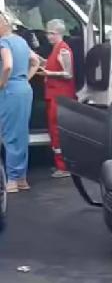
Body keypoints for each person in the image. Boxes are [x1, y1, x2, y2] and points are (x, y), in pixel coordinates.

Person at [0, 10, 40, 193]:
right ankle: (21, 178)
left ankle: (13, 180)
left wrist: (2, 83)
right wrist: (25, 78)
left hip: (10, 91)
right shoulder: (21, 41)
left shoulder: (4, 42)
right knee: (20, 134)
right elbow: (35, 61)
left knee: (10, 135)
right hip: (23, 89)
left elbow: (7, 65)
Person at [37, 19, 76, 178]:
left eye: (51, 33)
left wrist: (48, 74)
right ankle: (60, 163)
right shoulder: (56, 49)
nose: (48, 36)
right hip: (53, 95)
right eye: (48, 33)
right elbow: (53, 65)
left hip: (60, 96)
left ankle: (64, 166)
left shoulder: (63, 50)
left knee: (57, 130)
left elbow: (68, 73)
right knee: (53, 130)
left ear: (58, 33)